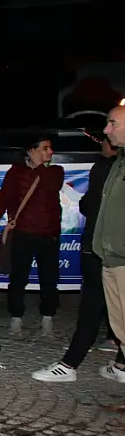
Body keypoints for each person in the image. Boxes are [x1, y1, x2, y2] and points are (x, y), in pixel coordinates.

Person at [33, 135, 124, 382]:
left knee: (91, 307)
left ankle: (69, 364)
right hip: (111, 249)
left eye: (111, 128)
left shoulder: (106, 167)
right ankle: (121, 365)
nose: (105, 136)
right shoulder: (116, 166)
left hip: (103, 249)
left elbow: (90, 206)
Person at [0, 136, 64, 336]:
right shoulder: (16, 172)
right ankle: (16, 317)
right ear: (31, 150)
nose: (50, 152)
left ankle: (47, 317)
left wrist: (38, 167)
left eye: (50, 149)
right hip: (23, 233)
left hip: (48, 235)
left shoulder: (55, 172)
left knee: (49, 278)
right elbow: (3, 199)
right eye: (45, 148)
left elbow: (53, 186)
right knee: (18, 278)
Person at [94, 106, 125, 414]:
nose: (106, 130)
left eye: (112, 123)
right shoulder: (118, 162)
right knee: (122, 330)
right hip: (111, 259)